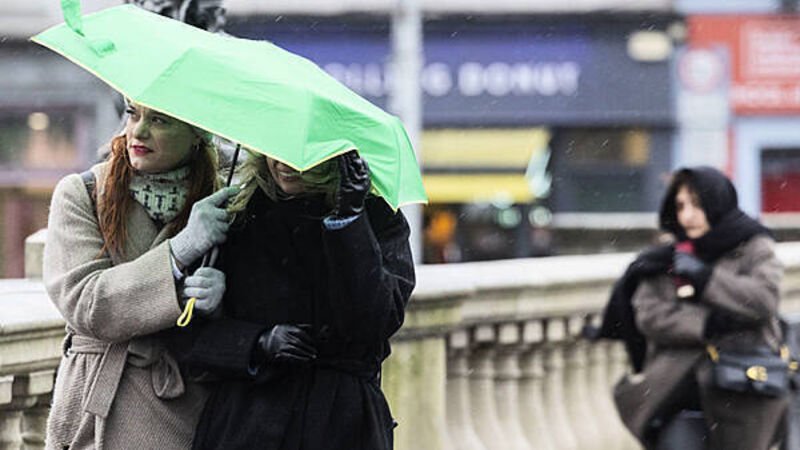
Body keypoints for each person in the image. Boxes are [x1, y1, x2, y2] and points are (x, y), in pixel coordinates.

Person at [169, 149, 415, 449]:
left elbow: (377, 320)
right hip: (248, 421)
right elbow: (188, 336)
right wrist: (257, 343)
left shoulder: (376, 216)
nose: (284, 163)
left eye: (306, 155)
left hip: (341, 422)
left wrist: (349, 221)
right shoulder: (238, 212)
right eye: (276, 151)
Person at [42, 101, 239, 449]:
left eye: (160, 120)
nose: (138, 131)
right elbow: (87, 304)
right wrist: (181, 251)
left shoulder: (225, 206)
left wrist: (219, 305)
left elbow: (252, 321)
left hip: (184, 408)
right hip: (91, 412)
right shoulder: (83, 193)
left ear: (197, 133)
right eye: (133, 113)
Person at [615, 166, 790, 450]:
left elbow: (764, 300)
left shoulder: (754, 246)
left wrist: (707, 279)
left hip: (744, 386)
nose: (687, 216)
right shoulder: (666, 256)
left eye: (697, 205)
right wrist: (707, 324)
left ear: (717, 202)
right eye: (680, 206)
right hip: (677, 390)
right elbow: (650, 314)